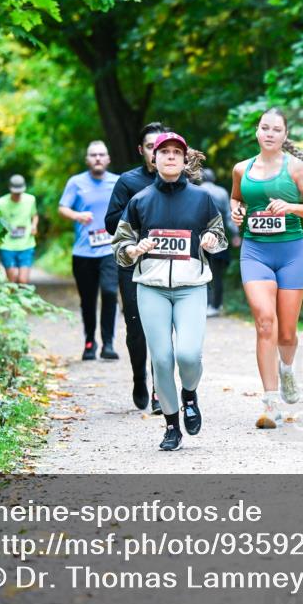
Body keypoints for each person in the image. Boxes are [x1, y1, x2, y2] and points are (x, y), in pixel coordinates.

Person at [112, 132, 229, 451]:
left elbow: (219, 236)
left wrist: (210, 242)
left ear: (185, 158)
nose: (170, 156)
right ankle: (171, 425)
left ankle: (189, 394)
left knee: (188, 355)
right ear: (154, 158)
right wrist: (134, 250)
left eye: (177, 152)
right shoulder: (140, 201)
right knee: (162, 360)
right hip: (152, 288)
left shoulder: (202, 198)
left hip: (191, 288)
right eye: (164, 151)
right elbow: (120, 245)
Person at [230, 108, 303, 429]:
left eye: (276, 129)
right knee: (265, 323)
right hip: (255, 252)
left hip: (291, 252)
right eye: (264, 128)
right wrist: (237, 212)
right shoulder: (242, 169)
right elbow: (236, 199)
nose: (269, 133)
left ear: (285, 135)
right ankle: (270, 403)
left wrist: (291, 206)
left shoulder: (296, 169)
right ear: (257, 132)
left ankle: (287, 369)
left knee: (286, 332)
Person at [104, 122, 170, 410]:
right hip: (133, 262)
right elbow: (110, 223)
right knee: (136, 327)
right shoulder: (128, 182)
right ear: (141, 150)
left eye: (160, 147)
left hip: (167, 263)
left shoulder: (180, 181)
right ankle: (138, 378)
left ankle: (159, 389)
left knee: (162, 327)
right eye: (149, 147)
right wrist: (139, 216)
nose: (155, 153)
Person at [58, 140, 120, 361]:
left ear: (108, 158)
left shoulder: (118, 182)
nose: (97, 158)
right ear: (87, 160)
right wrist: (77, 216)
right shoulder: (76, 182)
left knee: (111, 293)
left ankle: (109, 343)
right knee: (88, 300)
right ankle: (90, 342)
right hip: (83, 252)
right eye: (93, 155)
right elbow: (62, 207)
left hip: (110, 250)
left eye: (101, 154)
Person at [199, 167, 241, 316]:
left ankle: (206, 305)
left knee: (202, 272)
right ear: (214, 179)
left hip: (200, 238)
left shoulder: (197, 190)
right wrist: (236, 234)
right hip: (219, 238)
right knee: (217, 274)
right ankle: (217, 305)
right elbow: (229, 217)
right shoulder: (222, 192)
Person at [0, 174, 39, 284]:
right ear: (10, 189)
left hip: (26, 244)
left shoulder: (30, 200)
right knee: (12, 279)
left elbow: (35, 215)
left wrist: (34, 226)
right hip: (7, 245)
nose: (17, 195)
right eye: (15, 192)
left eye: (19, 192)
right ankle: (12, 300)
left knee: (23, 280)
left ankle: (23, 300)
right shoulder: (0, 203)